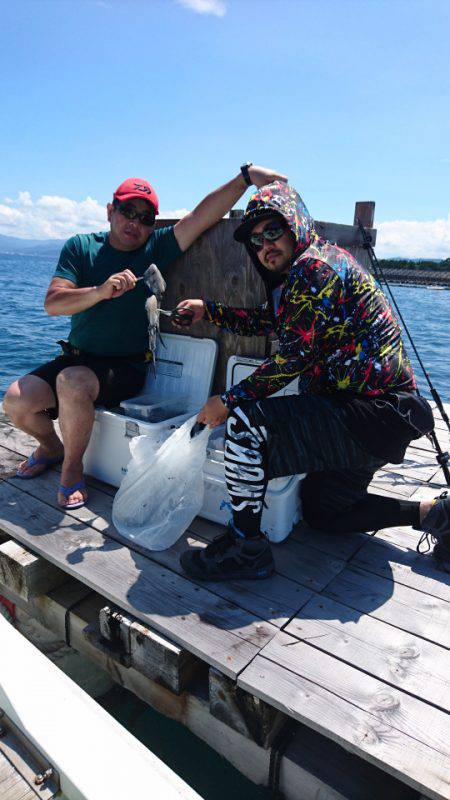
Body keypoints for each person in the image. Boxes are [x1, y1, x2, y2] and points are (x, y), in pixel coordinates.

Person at [176, 181, 450, 581]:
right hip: (379, 417)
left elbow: (295, 357)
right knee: (325, 512)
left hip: (371, 413)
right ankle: (436, 515)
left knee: (245, 425)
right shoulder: (309, 269)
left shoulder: (314, 268)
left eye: (273, 231)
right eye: (255, 240)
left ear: (296, 224)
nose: (265, 245)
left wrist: (228, 401)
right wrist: (210, 310)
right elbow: (272, 322)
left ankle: (246, 549)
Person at [4, 166, 286, 510]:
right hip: (76, 357)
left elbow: (201, 216)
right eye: (128, 211)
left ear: (153, 224)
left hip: (125, 367)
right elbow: (53, 304)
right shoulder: (80, 247)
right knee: (16, 400)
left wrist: (245, 176)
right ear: (110, 211)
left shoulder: (157, 246)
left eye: (146, 217)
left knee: (71, 382)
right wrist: (100, 291)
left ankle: (72, 468)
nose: (135, 222)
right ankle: (51, 447)